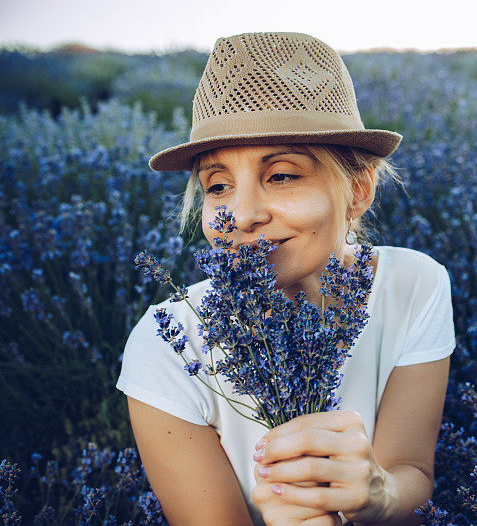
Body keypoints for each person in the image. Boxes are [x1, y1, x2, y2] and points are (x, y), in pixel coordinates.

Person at [116, 32, 456, 525]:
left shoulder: (413, 285)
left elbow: (410, 472)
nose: (244, 213)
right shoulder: (169, 342)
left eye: (281, 175)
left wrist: (379, 495)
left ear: (358, 191)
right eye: (218, 185)